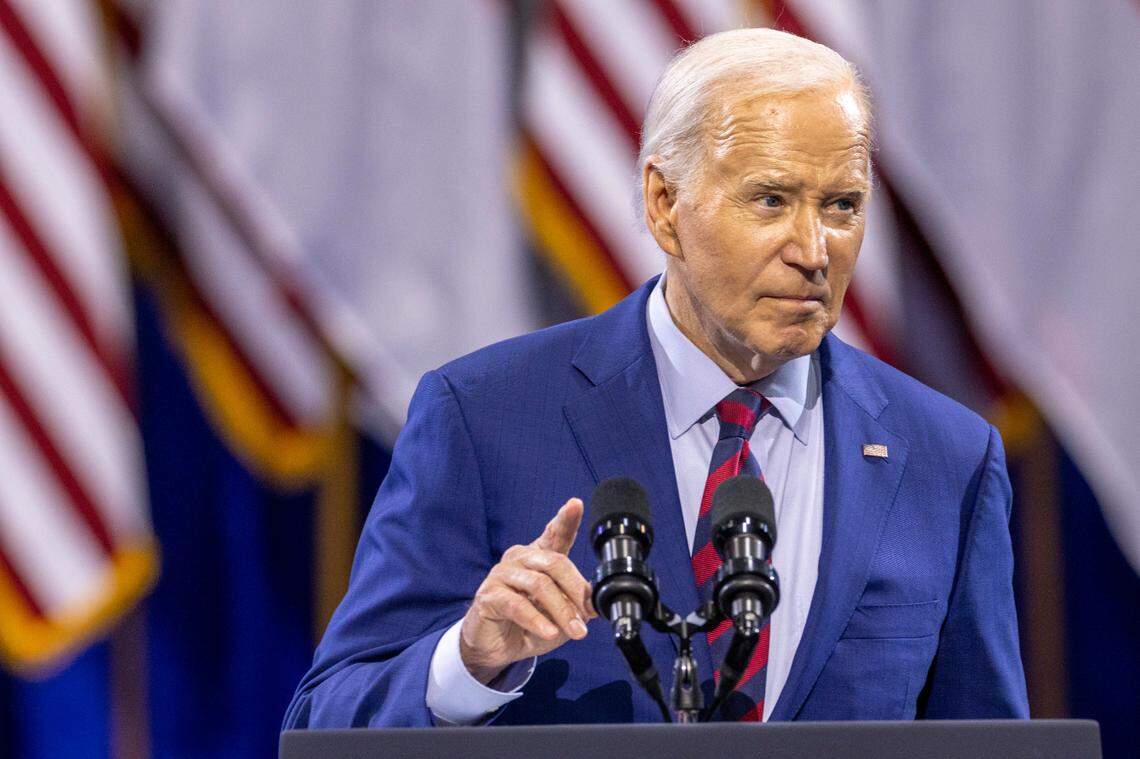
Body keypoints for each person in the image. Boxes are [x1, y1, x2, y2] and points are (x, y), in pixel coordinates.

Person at [283, 28, 1028, 728]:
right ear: (664, 204)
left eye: (841, 205)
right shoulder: (483, 418)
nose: (814, 249)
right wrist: (469, 661)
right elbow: (326, 719)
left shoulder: (948, 458)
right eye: (771, 199)